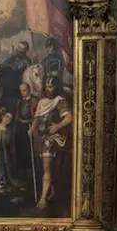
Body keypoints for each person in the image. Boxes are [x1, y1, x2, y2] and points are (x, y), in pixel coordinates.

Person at [30, 77, 72, 210]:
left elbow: (69, 117)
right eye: (47, 86)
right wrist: (31, 130)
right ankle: (50, 192)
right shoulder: (42, 102)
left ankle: (43, 199)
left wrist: (58, 126)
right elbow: (37, 118)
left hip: (53, 138)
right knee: (44, 168)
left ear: (56, 87)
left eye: (51, 86)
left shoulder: (59, 101)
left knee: (47, 168)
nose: (48, 89)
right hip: (41, 138)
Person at [0, 41, 32, 109]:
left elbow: (29, 75)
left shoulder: (27, 61)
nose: (19, 50)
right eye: (19, 48)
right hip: (3, 83)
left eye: (22, 49)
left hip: (15, 84)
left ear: (26, 50)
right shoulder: (12, 57)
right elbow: (3, 65)